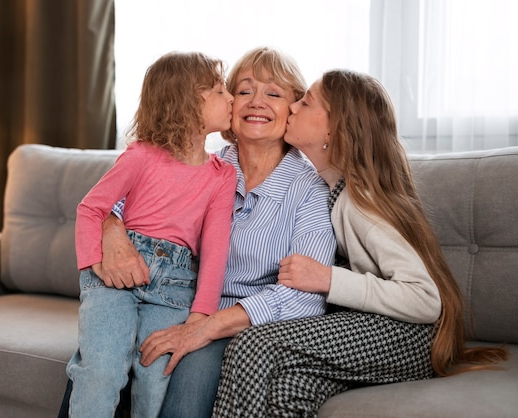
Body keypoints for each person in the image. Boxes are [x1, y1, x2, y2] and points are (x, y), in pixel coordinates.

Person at [211, 69, 509, 417]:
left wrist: (328, 279)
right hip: (373, 328)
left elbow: (426, 299)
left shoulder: (360, 202)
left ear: (332, 130)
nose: (292, 108)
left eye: (305, 102)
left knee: (253, 345)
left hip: (408, 336)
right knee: (287, 386)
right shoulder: (325, 187)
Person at [59, 47, 338, 418]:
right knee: (95, 366)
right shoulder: (197, 160)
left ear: (293, 109)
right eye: (243, 90)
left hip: (231, 319)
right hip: (170, 298)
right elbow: (120, 204)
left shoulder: (309, 190)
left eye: (273, 93)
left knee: (173, 376)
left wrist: (206, 325)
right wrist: (112, 231)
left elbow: (304, 299)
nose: (256, 102)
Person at [66, 51, 237, 418]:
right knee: (101, 371)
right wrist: (95, 264)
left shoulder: (223, 176)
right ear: (189, 102)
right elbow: (90, 209)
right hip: (114, 281)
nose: (232, 99)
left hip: (174, 289)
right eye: (221, 91)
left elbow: (215, 249)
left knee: (155, 376)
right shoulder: (141, 155)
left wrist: (200, 314)